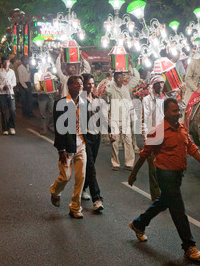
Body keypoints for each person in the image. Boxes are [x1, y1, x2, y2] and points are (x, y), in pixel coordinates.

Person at [128, 97, 200, 261]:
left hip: (178, 175)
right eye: (174, 111)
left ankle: (138, 224)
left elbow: (191, 147)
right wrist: (134, 173)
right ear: (165, 111)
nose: (177, 114)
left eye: (178, 111)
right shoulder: (158, 131)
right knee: (178, 210)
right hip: (164, 175)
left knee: (164, 201)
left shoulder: (182, 128)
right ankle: (189, 246)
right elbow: (144, 154)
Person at [50, 75, 87, 219]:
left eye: (81, 84)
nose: (80, 86)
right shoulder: (61, 104)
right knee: (65, 176)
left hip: (81, 145)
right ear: (70, 86)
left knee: (81, 178)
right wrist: (61, 150)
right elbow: (59, 129)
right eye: (78, 84)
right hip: (67, 147)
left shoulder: (84, 103)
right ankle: (54, 190)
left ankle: (75, 207)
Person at [106, 57, 140, 171]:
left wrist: (131, 64)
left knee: (128, 141)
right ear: (115, 79)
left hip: (125, 119)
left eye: (122, 77)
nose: (121, 79)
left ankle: (129, 163)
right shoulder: (112, 88)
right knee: (114, 142)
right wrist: (111, 78)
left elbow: (136, 78)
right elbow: (107, 91)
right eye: (118, 78)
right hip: (115, 118)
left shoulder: (127, 87)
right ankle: (115, 163)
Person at [80, 73, 106, 211]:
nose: (91, 86)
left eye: (92, 84)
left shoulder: (97, 100)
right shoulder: (79, 100)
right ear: (83, 85)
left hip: (96, 136)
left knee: (90, 166)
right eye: (88, 84)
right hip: (86, 137)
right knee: (91, 167)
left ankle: (83, 189)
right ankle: (97, 199)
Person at [141, 74, 165, 201]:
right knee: (153, 169)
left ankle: (165, 194)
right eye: (158, 83)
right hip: (152, 137)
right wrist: (146, 138)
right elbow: (144, 120)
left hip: (164, 137)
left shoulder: (165, 98)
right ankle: (156, 197)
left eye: (162, 83)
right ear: (153, 85)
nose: (160, 86)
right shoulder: (147, 100)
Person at [0, 57, 17, 135]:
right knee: (3, 111)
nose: (6, 63)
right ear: (2, 63)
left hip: (10, 93)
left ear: (9, 63)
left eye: (7, 62)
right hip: (1, 94)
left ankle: (11, 126)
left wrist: (10, 86)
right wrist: (2, 87)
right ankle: (5, 128)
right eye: (4, 62)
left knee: (12, 110)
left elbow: (14, 82)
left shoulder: (12, 72)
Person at [33, 67, 56, 135]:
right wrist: (42, 85)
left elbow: (54, 79)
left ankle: (51, 126)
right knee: (42, 112)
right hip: (42, 95)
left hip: (50, 95)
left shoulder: (49, 74)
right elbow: (37, 87)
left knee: (52, 111)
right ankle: (43, 128)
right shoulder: (37, 74)